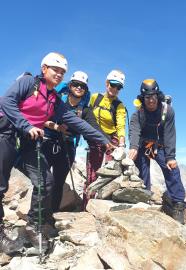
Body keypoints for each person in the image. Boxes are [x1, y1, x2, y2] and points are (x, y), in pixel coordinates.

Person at [0, 52, 111, 253]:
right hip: (6, 132)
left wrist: (102, 140)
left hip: (27, 142)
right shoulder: (27, 83)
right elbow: (6, 102)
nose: (59, 74)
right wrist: (26, 126)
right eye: (55, 70)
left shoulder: (54, 100)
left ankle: (34, 226)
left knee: (46, 181)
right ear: (44, 69)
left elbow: (76, 121)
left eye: (62, 72)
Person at [128, 79, 186, 224]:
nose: (151, 100)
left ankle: (178, 204)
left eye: (153, 96)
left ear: (158, 95)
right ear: (143, 98)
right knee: (142, 173)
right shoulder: (138, 114)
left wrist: (170, 156)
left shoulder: (168, 110)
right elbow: (134, 131)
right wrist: (134, 147)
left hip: (160, 146)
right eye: (147, 97)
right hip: (143, 146)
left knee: (172, 169)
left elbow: (169, 134)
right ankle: (143, 200)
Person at [43, 71, 103, 212]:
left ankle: (52, 215)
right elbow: (43, 117)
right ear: (70, 86)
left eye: (82, 86)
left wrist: (106, 142)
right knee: (44, 180)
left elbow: (93, 127)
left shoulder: (85, 111)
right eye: (76, 84)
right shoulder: (56, 99)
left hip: (68, 146)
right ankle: (39, 214)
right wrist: (57, 127)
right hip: (48, 141)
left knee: (58, 182)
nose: (79, 88)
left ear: (85, 90)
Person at [83, 70, 126, 209]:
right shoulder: (95, 98)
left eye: (119, 87)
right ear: (107, 83)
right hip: (95, 139)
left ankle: (105, 207)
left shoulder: (119, 106)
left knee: (110, 174)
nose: (115, 89)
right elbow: (86, 114)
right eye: (113, 85)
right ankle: (87, 206)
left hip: (111, 141)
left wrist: (121, 143)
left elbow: (120, 125)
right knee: (92, 173)